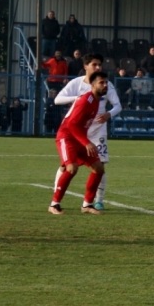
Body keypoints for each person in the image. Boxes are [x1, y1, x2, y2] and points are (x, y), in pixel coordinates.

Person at [54, 53, 123, 211]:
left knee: (100, 165)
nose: (98, 67)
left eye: (100, 65)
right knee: (67, 166)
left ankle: (96, 201)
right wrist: (78, 98)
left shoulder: (106, 85)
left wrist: (108, 114)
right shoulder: (77, 84)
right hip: (76, 131)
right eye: (94, 64)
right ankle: (56, 197)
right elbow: (57, 99)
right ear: (85, 66)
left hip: (97, 130)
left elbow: (118, 106)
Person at [48, 71, 109, 215]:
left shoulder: (95, 101)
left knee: (98, 168)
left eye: (106, 82)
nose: (105, 85)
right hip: (66, 137)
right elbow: (72, 125)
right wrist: (87, 143)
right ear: (93, 85)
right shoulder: (85, 100)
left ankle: (87, 204)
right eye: (102, 82)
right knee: (71, 168)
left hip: (79, 138)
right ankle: (54, 204)